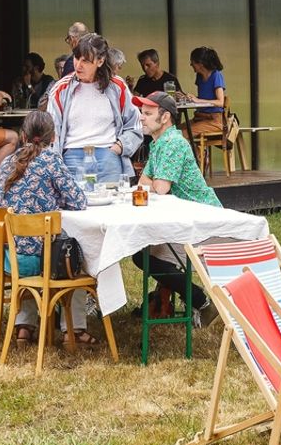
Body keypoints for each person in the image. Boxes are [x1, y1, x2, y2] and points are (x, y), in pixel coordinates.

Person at [0, 110, 98, 345]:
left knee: (28, 247)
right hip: (24, 261)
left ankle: (24, 326)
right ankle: (73, 330)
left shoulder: (6, 162)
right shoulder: (51, 161)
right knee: (68, 258)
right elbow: (78, 201)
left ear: (22, 136)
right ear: (53, 137)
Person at [130, 91, 219, 325]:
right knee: (143, 254)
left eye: (148, 113)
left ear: (165, 117)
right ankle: (197, 299)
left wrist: (151, 182)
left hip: (203, 219)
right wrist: (150, 182)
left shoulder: (173, 143)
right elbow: (143, 183)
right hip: (183, 217)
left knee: (144, 255)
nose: (141, 117)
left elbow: (159, 188)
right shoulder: (160, 143)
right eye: (142, 112)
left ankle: (200, 300)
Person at [46, 33, 143, 184]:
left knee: (113, 204)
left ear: (100, 61)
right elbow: (51, 132)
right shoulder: (60, 88)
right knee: (75, 206)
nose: (78, 65)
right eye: (76, 58)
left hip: (108, 154)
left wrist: (120, 146)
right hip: (72, 156)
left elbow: (135, 124)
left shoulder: (117, 86)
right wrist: (56, 162)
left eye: (85, 61)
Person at [186, 47, 226, 138]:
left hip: (213, 120)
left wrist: (197, 100)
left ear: (200, 64)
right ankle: (197, 152)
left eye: (192, 62)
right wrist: (188, 99)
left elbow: (220, 102)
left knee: (183, 134)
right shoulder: (199, 76)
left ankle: (197, 152)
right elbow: (203, 98)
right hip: (200, 117)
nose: (191, 64)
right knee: (176, 131)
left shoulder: (216, 75)